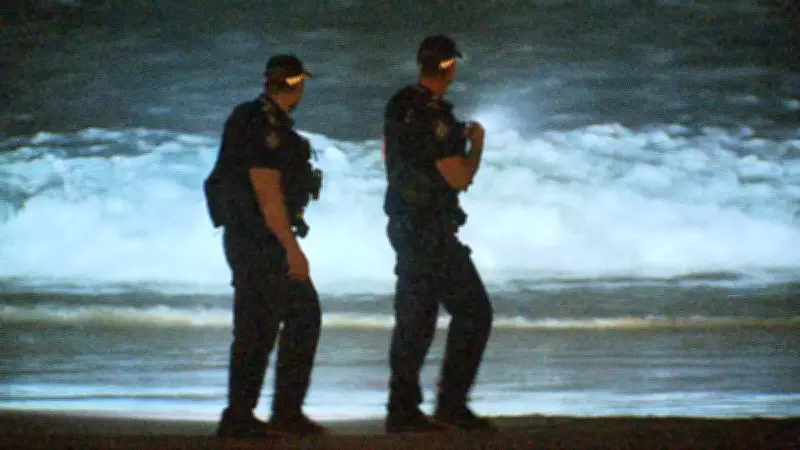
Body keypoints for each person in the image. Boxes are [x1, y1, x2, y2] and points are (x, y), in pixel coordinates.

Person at [203, 54, 327, 439]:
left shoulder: (254, 117)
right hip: (259, 239)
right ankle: (253, 415)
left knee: (278, 321)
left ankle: (263, 413)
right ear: (296, 84)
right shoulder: (263, 123)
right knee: (276, 322)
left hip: (252, 236)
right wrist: (292, 248)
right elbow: (267, 190)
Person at [382, 35, 494, 433]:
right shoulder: (439, 118)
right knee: (474, 312)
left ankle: (402, 409)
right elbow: (459, 178)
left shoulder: (399, 104)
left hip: (401, 222)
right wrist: (475, 147)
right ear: (449, 67)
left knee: (415, 318)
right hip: (430, 226)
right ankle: (450, 404)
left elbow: (388, 154)